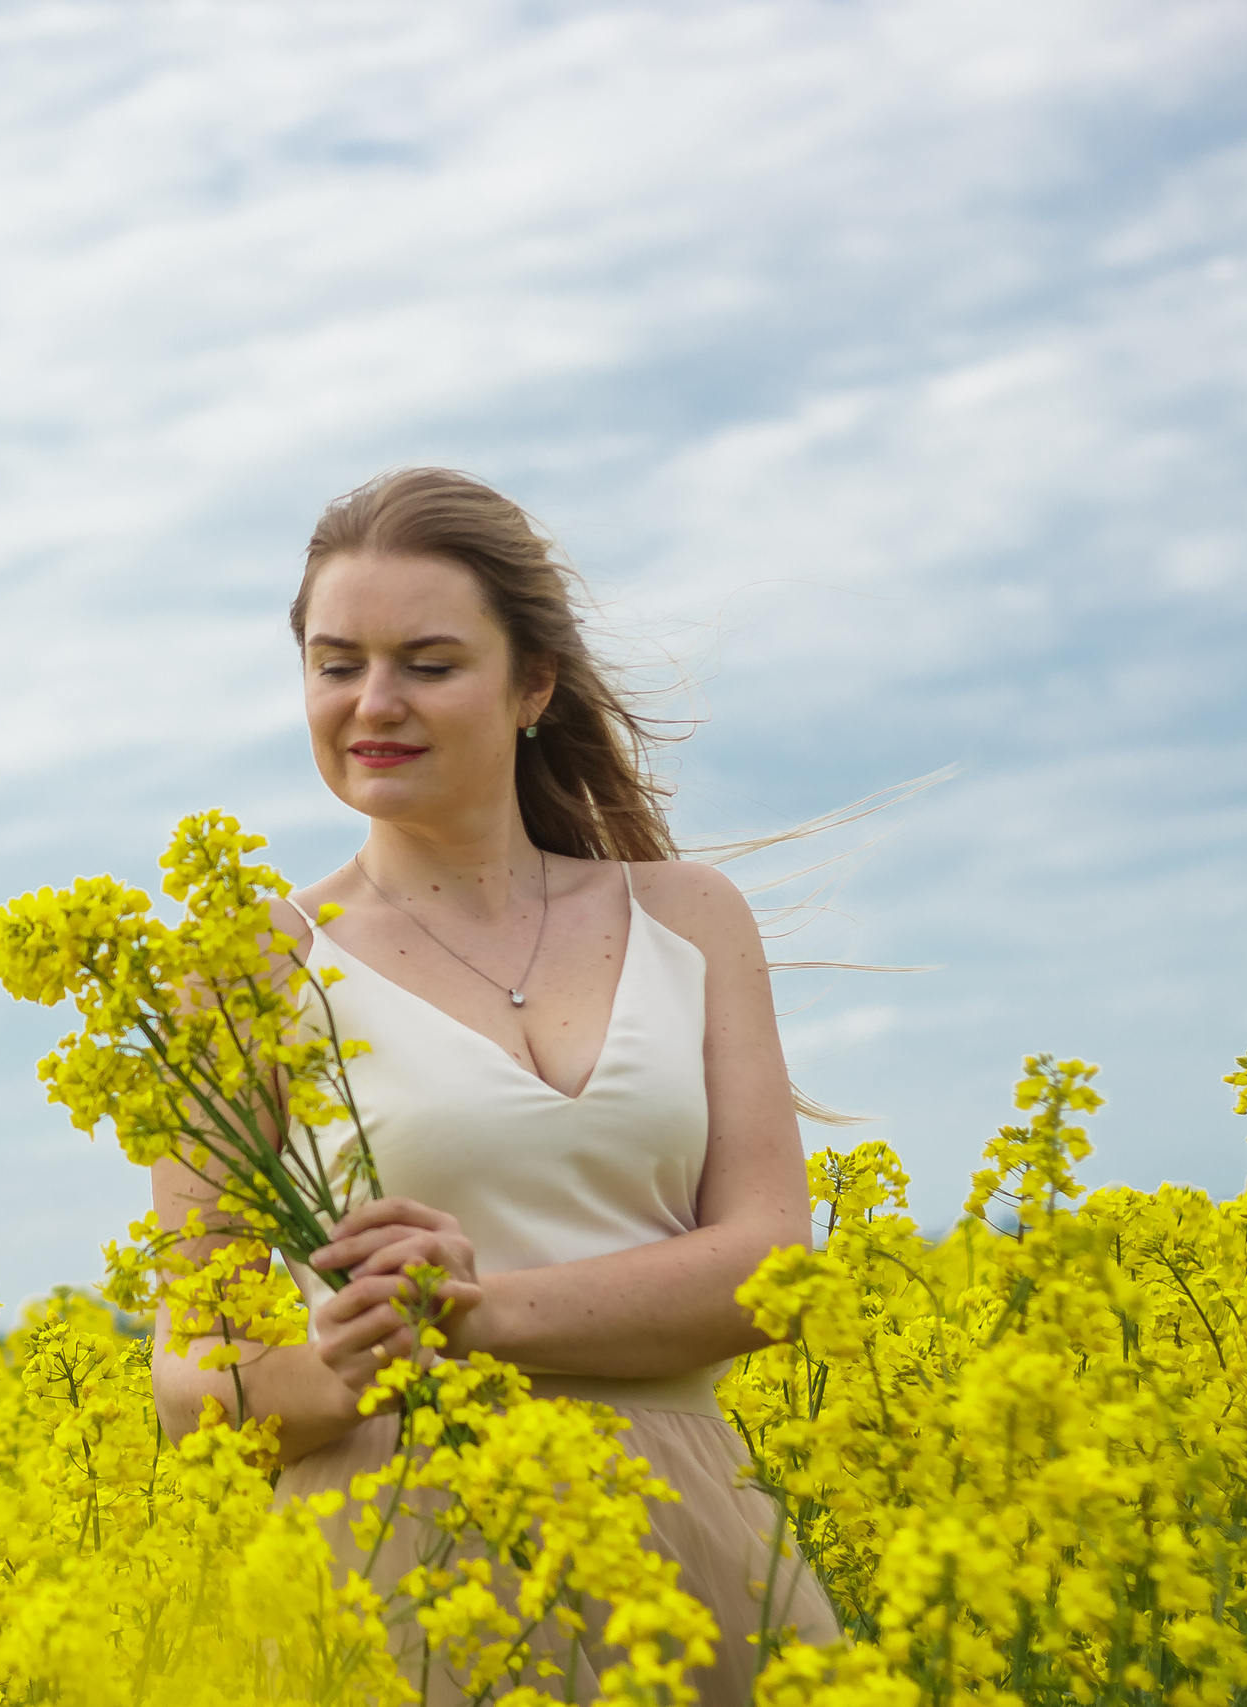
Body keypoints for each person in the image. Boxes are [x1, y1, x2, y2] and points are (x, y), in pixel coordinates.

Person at [146, 467, 842, 1704]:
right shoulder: (242, 970)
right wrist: (331, 1368)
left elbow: (771, 1265)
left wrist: (473, 1316)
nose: (372, 703)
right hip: (399, 1561)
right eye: (333, 662)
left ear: (533, 685)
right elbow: (191, 1386)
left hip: (692, 1539)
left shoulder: (686, 917)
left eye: (426, 662)